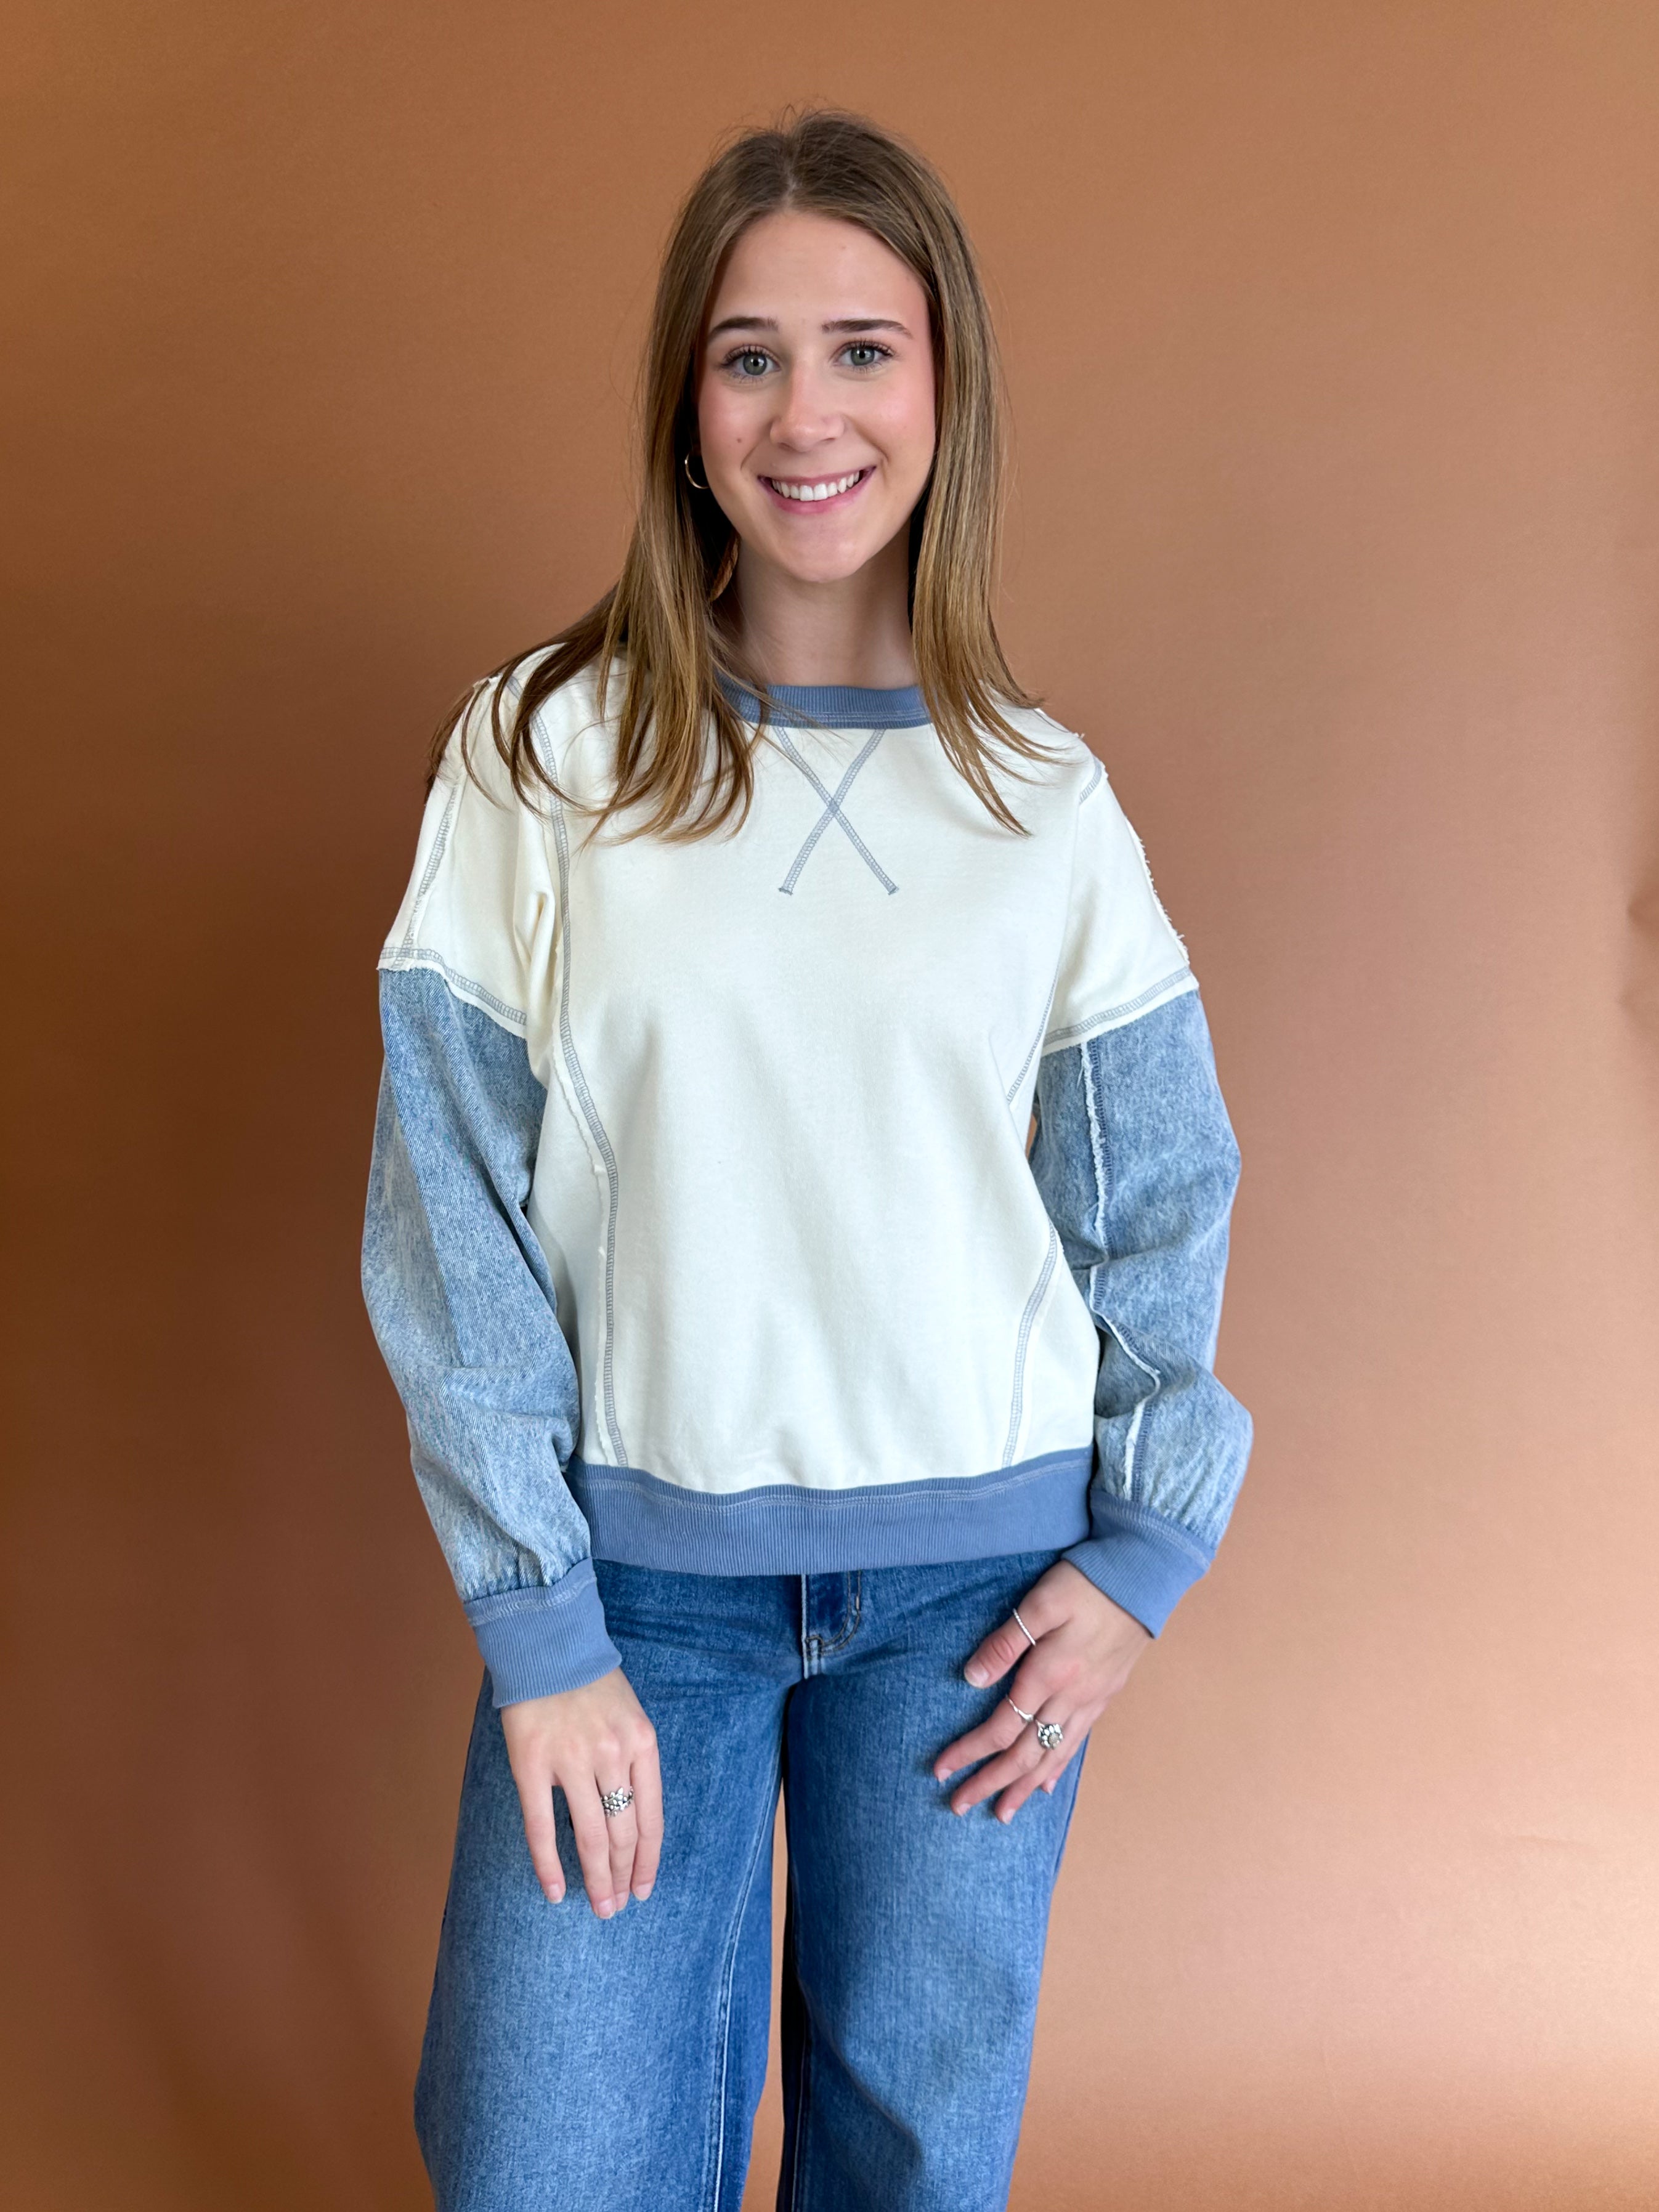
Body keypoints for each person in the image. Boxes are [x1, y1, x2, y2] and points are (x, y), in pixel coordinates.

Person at [362, 108, 1251, 2212]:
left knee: (913, 2166)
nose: (807, 413)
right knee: (543, 2165)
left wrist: (1143, 1553)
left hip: (975, 1599)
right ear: (687, 407)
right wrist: (542, 1628)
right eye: (749, 356)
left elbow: (1157, 1195)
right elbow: (447, 1201)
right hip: (636, 1595)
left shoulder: (1041, 802)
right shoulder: (544, 756)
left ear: (945, 393)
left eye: (864, 350)